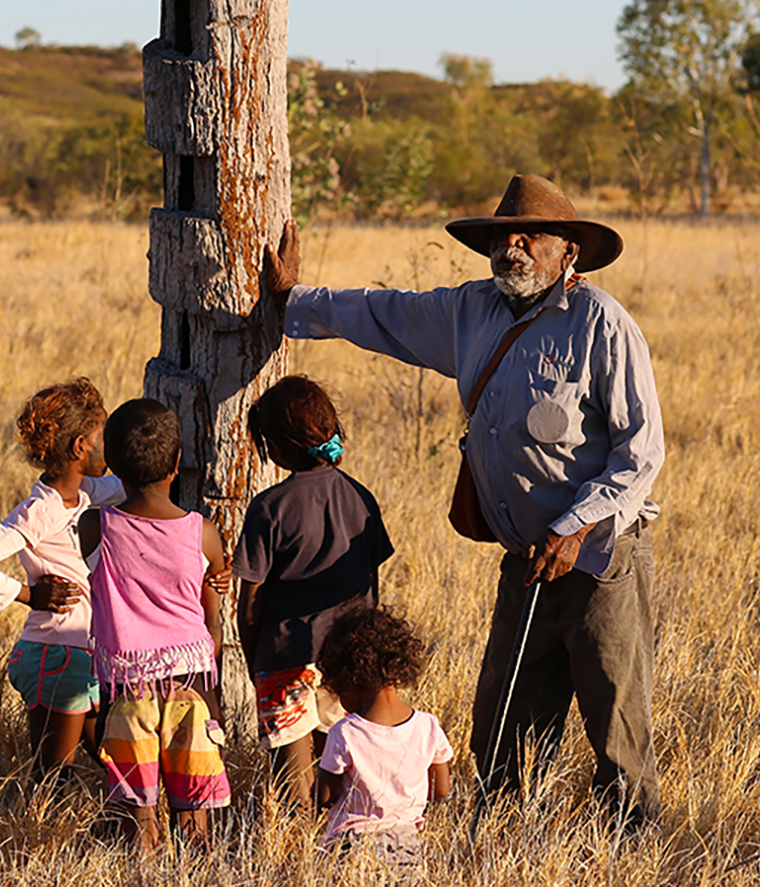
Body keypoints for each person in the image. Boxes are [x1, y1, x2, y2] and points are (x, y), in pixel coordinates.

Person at [264, 173, 664, 828]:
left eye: (530, 236)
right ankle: (501, 845)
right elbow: (381, 312)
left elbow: (641, 454)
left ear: (569, 251)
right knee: (503, 723)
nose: (513, 246)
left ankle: (636, 849)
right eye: (502, 235)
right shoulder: (469, 311)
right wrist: (291, 298)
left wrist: (574, 527)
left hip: (597, 561)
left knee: (616, 725)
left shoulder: (600, 325)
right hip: (525, 560)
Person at [232, 375, 395, 812]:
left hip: (285, 660)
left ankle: (292, 861)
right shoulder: (361, 498)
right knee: (342, 775)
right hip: (348, 659)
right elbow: (371, 589)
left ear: (275, 449)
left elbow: (249, 604)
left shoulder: (269, 508)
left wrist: (256, 663)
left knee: (292, 787)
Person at [0, 377, 125, 781]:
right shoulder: (38, 511)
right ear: (81, 447)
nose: (110, 444)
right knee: (52, 775)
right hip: (55, 652)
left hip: (83, 654)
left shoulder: (84, 493)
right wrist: (30, 595)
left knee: (115, 765)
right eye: (105, 434)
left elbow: (124, 487)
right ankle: (37, 841)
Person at [88, 397, 231, 850]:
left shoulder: (95, 529)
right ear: (178, 462)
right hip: (192, 685)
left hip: (126, 688)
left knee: (140, 817)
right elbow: (212, 624)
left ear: (110, 463)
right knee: (195, 814)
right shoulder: (202, 533)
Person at [313, 607, 452, 865]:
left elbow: (324, 797)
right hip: (407, 844)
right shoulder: (428, 727)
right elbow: (441, 790)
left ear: (349, 679)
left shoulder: (345, 733)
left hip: (350, 847)